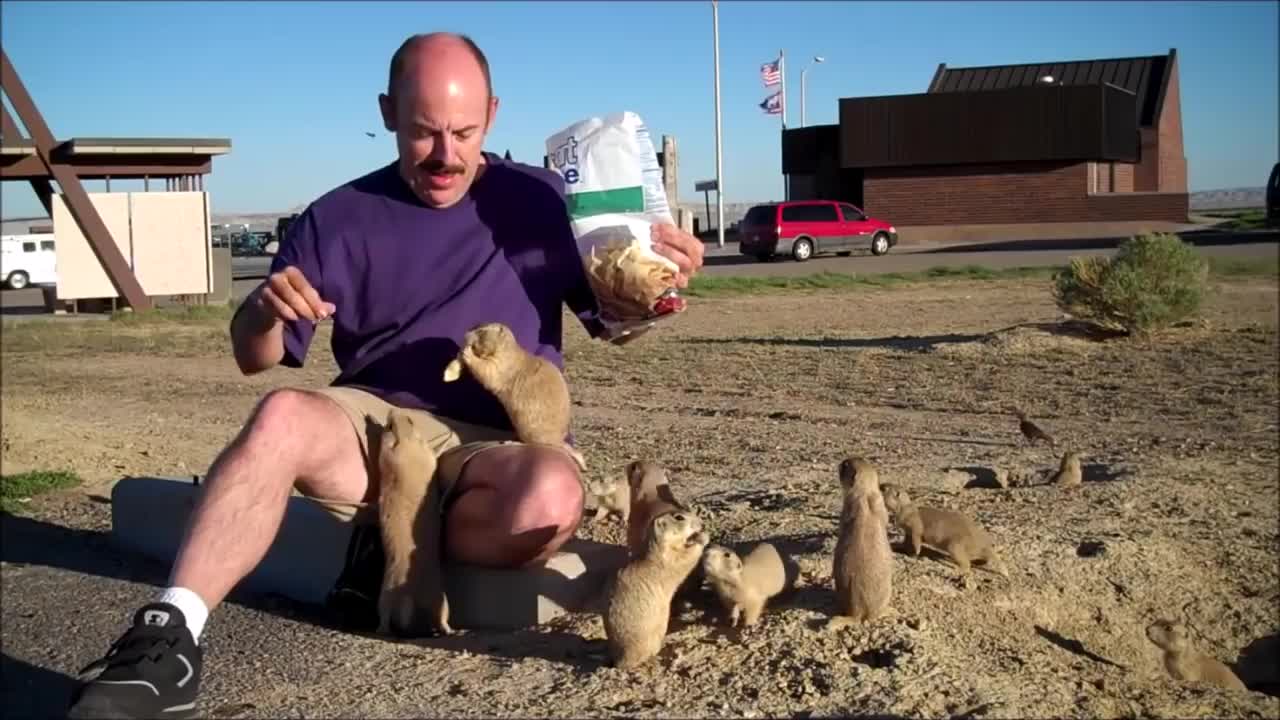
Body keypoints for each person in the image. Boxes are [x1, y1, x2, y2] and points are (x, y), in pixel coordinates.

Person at [67, 31, 705, 719]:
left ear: (491, 114)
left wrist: (661, 288)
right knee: (282, 413)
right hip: (376, 426)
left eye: (463, 132)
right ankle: (169, 636)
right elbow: (254, 357)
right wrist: (260, 310)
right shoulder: (337, 217)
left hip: (496, 448)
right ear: (388, 112)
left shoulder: (543, 199)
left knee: (551, 497)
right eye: (425, 132)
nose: (446, 154)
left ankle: (391, 538)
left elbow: (613, 325)